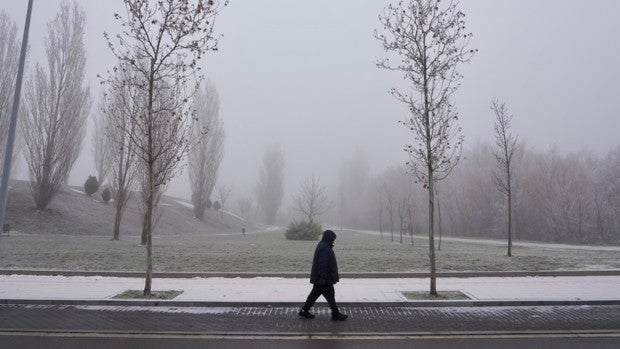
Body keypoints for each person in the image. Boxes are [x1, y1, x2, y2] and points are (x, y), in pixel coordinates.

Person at [298, 229, 348, 321]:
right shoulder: (324, 248)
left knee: (315, 295)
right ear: (329, 238)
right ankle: (335, 314)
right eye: (332, 239)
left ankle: (304, 311)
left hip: (322, 278)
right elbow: (322, 264)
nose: (333, 241)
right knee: (330, 296)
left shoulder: (324, 245)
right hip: (324, 279)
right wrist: (322, 278)